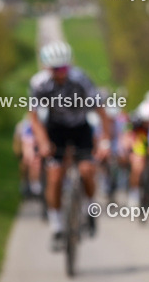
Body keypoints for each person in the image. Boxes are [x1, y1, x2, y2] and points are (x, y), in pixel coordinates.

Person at [28, 41, 111, 250]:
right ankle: (56, 227)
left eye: (64, 68)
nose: (61, 73)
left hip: (80, 127)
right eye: (56, 69)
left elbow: (101, 112)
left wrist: (104, 141)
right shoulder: (39, 83)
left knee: (86, 170)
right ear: (47, 68)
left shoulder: (81, 79)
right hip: (55, 129)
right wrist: (44, 142)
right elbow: (34, 117)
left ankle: (90, 209)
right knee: (55, 178)